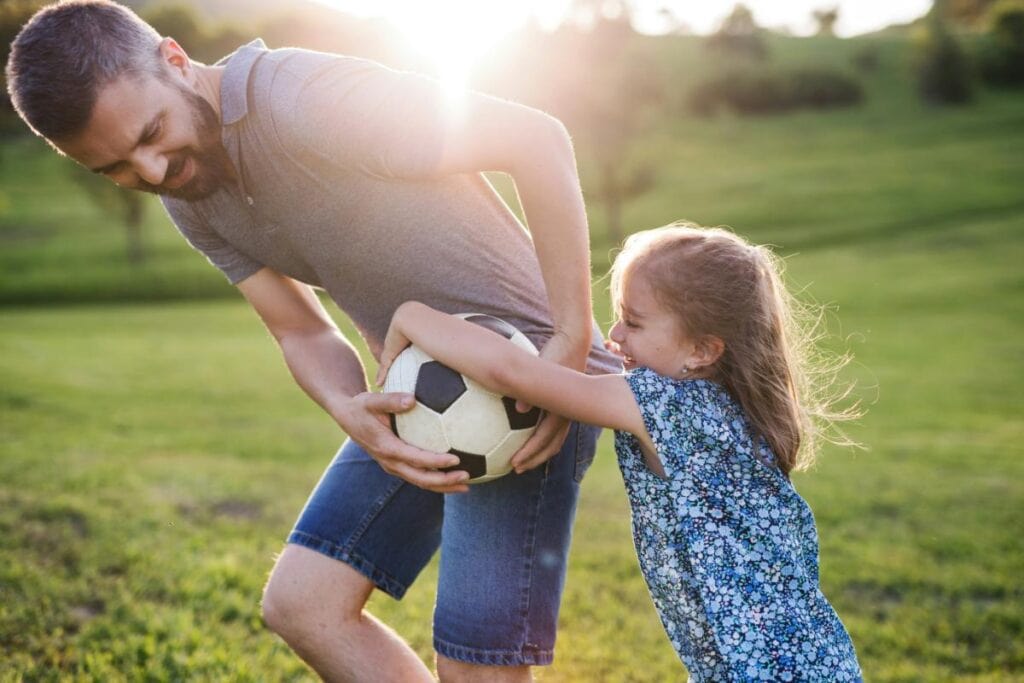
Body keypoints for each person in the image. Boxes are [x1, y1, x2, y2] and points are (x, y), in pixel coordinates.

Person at [6, 1, 620, 680]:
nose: (150, 172)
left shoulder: (301, 99)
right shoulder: (188, 189)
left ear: (175, 60)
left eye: (152, 132)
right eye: (115, 168)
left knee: (477, 668)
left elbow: (535, 138)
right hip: (419, 390)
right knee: (305, 603)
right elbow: (299, 327)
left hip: (524, 378)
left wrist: (567, 343)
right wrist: (349, 405)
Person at [378, 223, 864, 682]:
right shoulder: (718, 404)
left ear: (702, 350)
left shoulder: (671, 404)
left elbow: (515, 375)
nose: (615, 336)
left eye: (633, 322)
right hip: (794, 661)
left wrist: (410, 316)